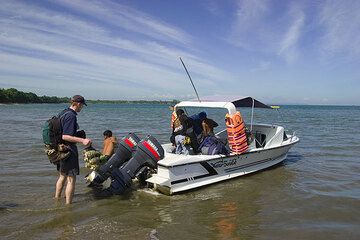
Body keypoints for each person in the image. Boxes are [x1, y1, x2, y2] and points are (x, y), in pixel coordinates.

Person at [55, 95, 92, 204]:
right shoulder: (71, 116)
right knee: (71, 179)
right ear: (78, 104)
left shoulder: (63, 112)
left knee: (62, 176)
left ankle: (56, 200)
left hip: (60, 149)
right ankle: (68, 206)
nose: (82, 108)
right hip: (68, 150)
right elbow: (65, 136)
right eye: (82, 106)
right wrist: (82, 141)